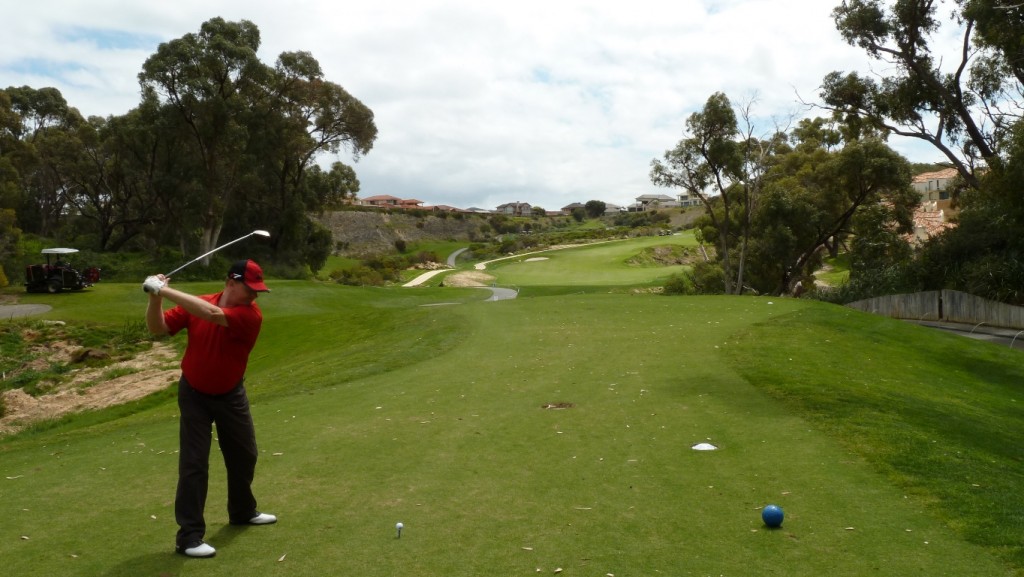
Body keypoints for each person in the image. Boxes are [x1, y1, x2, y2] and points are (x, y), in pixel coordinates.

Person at [144, 259, 276, 558]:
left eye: (259, 289)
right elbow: (158, 328)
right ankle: (189, 537)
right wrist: (154, 299)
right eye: (250, 288)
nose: (255, 295)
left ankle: (242, 511)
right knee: (194, 465)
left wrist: (165, 289)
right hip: (193, 394)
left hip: (231, 394)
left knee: (245, 455)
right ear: (231, 282)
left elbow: (213, 314)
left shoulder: (249, 315)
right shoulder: (198, 304)